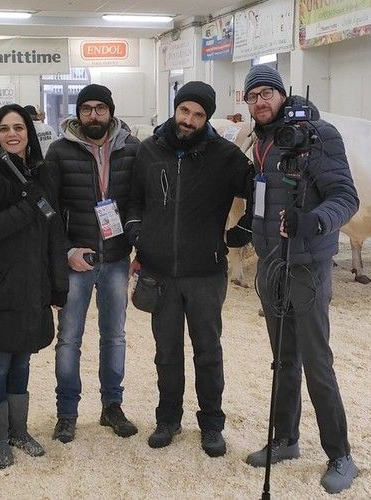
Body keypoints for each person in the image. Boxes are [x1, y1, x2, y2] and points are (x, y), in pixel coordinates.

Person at [241, 64, 360, 494]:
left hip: (307, 264)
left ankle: (340, 454)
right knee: (283, 358)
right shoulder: (260, 140)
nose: (260, 102)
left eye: (267, 93)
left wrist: (315, 221)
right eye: (253, 96)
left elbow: (346, 197)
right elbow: (264, 194)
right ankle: (286, 438)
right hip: (271, 262)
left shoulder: (317, 134)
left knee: (316, 360)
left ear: (282, 94)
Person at [124, 81, 255, 457]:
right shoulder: (149, 150)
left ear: (207, 118)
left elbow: (259, 189)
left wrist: (244, 231)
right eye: (185, 111)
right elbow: (134, 199)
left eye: (198, 115)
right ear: (175, 108)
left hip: (206, 274)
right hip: (160, 273)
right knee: (166, 353)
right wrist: (137, 232)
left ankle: (212, 424)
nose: (189, 120)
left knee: (208, 352)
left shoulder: (226, 156)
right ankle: (168, 419)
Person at [0, 104, 69, 469]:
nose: (12, 134)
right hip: (0, 283)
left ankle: (18, 430)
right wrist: (26, 207)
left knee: (22, 358)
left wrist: (58, 284)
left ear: (29, 133)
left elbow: (54, 231)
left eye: (19, 128)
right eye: (5, 128)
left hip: (33, 283)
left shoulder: (42, 173)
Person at [43, 83, 141, 443]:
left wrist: (138, 246)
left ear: (110, 112)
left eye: (100, 108)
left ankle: (112, 406)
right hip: (77, 262)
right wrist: (67, 250)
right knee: (69, 339)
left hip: (116, 259)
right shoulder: (59, 151)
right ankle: (67, 412)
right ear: (78, 113)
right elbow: (48, 208)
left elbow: (139, 202)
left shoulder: (132, 149)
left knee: (114, 336)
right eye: (87, 109)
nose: (94, 115)